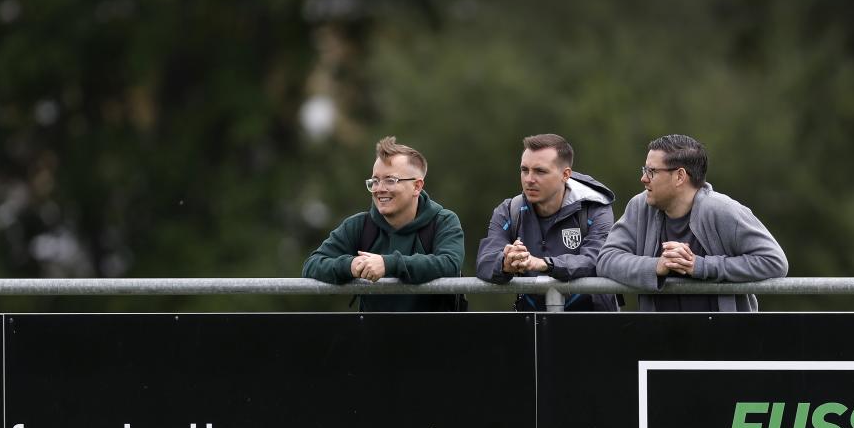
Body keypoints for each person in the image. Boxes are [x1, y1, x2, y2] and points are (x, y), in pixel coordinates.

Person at [596, 133, 787, 311]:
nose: (644, 178)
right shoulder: (639, 206)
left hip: (724, 340)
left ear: (680, 176)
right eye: (645, 170)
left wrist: (700, 266)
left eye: (652, 171)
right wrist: (656, 266)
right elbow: (606, 259)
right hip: (658, 339)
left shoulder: (723, 210)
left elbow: (774, 261)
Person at [303, 135, 465, 311]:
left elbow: (450, 263)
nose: (379, 189)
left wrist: (388, 264)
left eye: (390, 180)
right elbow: (312, 266)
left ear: (417, 187)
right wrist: (351, 265)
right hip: (372, 335)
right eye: (375, 180)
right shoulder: (358, 225)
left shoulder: (444, 221)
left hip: (434, 334)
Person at [476, 133, 618, 311]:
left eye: (540, 171)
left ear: (565, 175)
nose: (529, 179)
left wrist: (545, 264)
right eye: (524, 170)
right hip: (532, 327)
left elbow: (598, 260)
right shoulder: (509, 210)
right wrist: (506, 263)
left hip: (592, 323)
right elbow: (485, 260)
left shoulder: (595, 208)